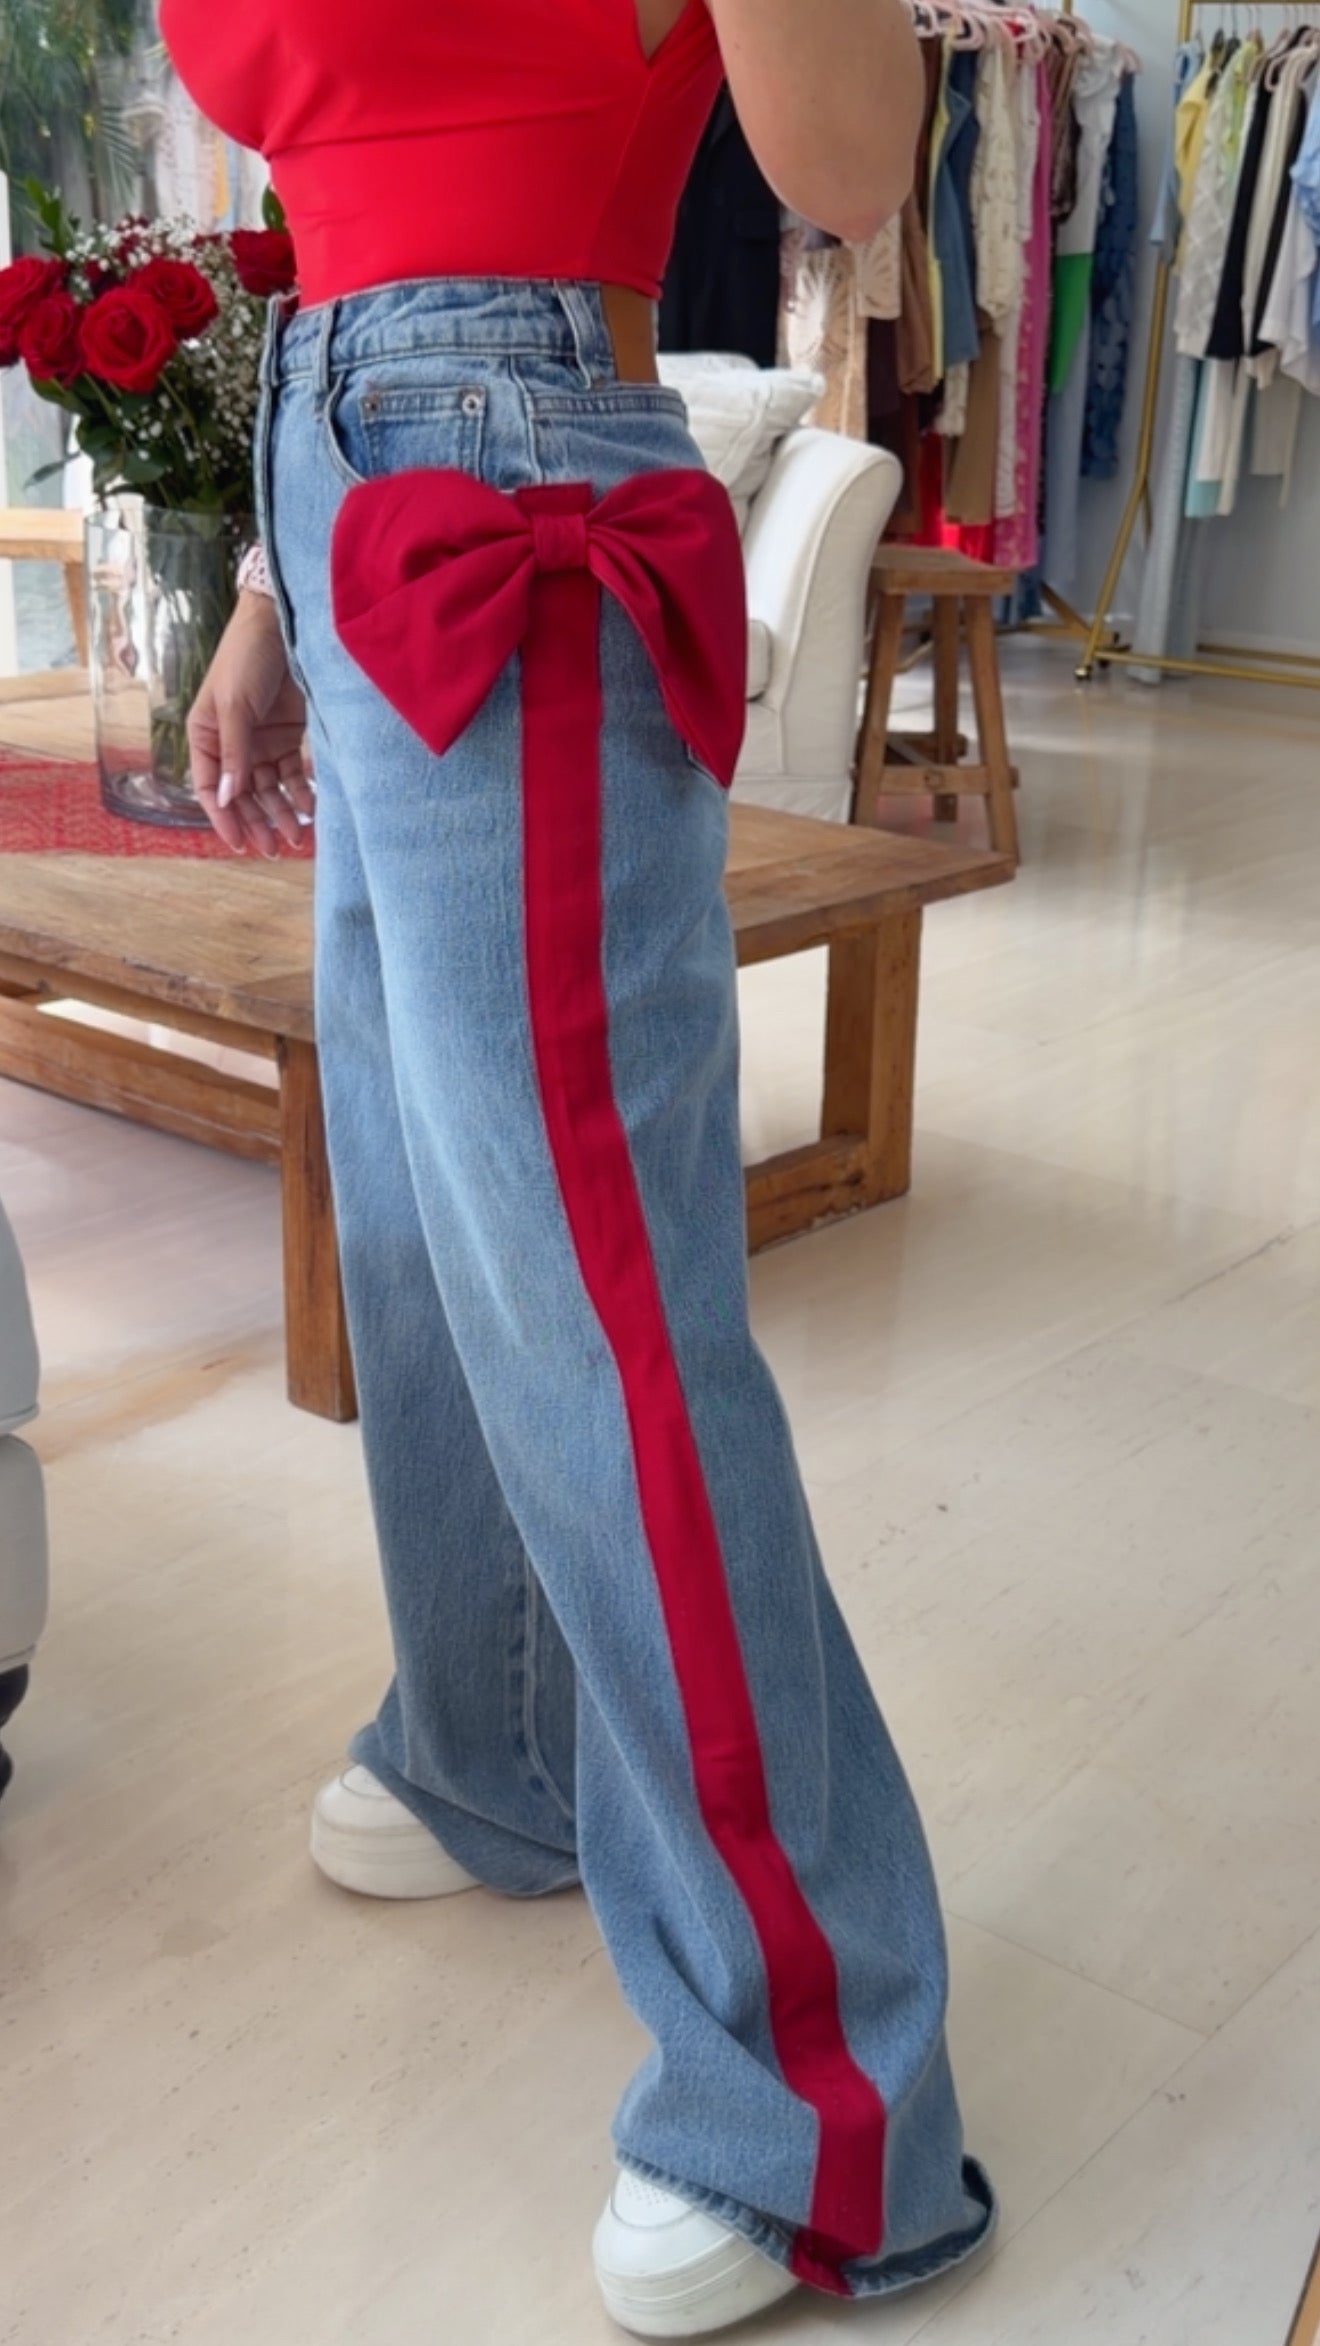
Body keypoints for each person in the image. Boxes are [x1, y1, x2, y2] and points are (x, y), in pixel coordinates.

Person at [167, 1, 995, 2332]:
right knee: (424, 1222)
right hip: (348, 448)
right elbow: (331, 183)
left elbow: (847, 160)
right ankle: (500, 1756)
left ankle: (827, 2107)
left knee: (594, 1302)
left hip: (508, 448)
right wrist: (268, 595)